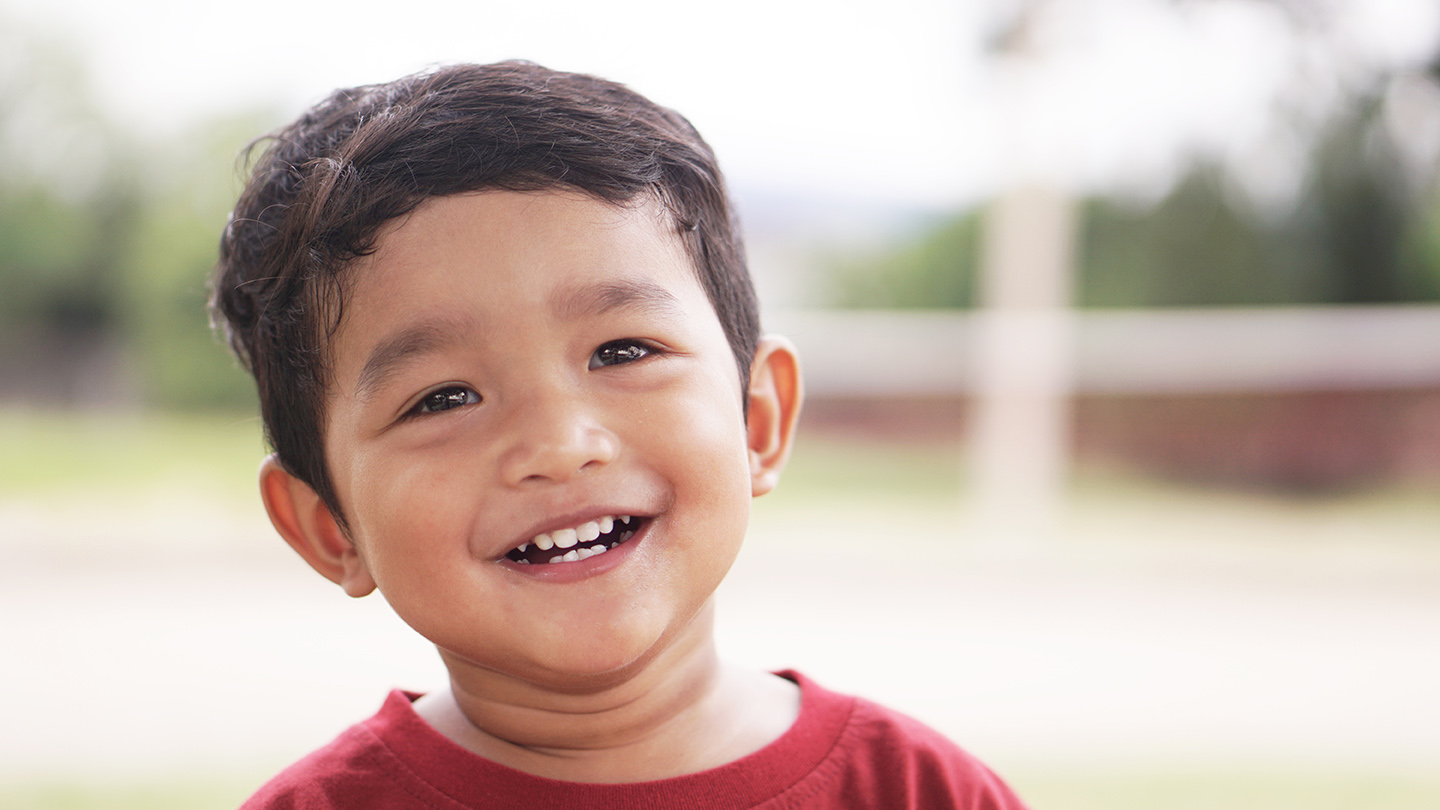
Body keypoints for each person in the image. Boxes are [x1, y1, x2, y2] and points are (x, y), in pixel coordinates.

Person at [211, 60, 1029, 809]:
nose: (562, 444)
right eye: (444, 398)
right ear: (327, 525)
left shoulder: (921, 791)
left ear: (758, 419)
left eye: (623, 350)